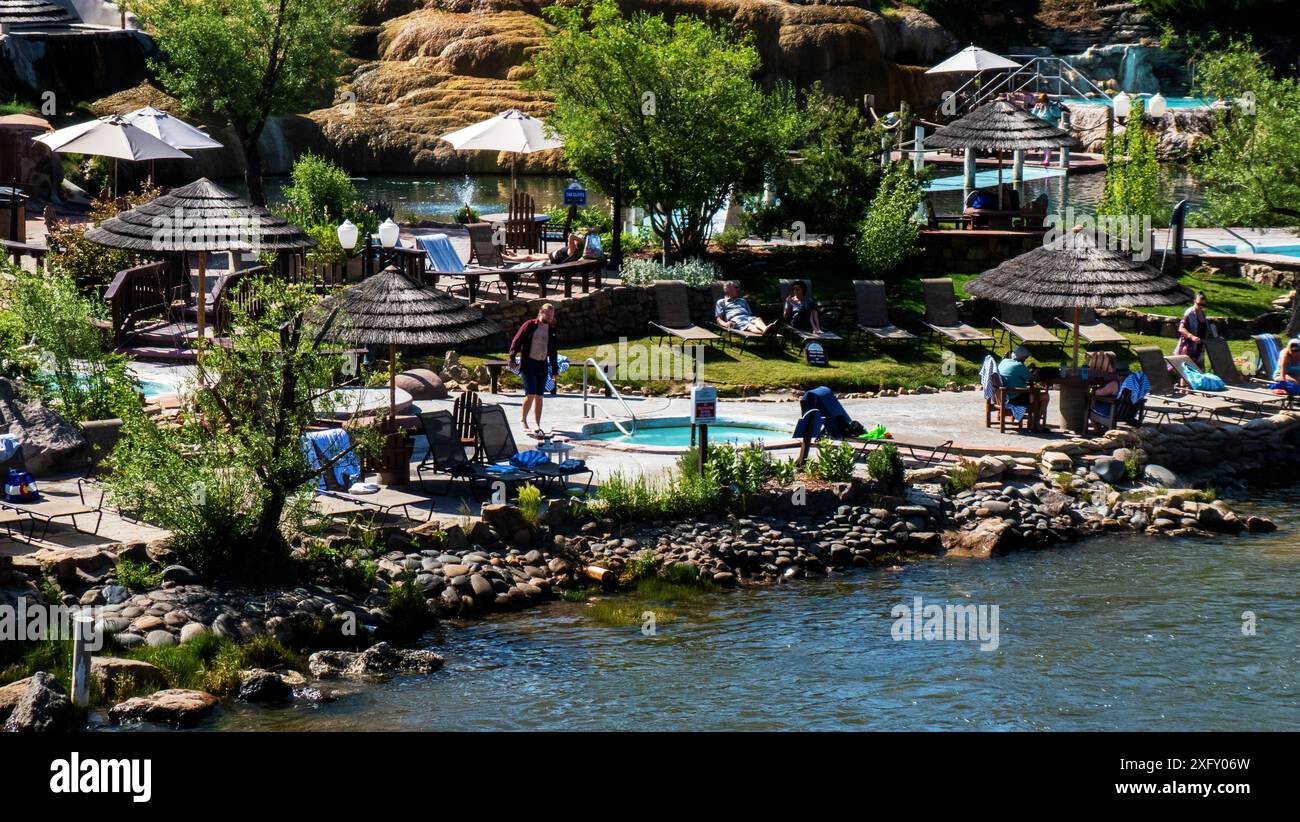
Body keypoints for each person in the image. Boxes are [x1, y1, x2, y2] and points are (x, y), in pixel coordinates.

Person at [508, 303, 559, 437]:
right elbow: (516, 341)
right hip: (528, 364)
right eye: (547, 314)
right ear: (540, 312)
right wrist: (512, 357)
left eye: (551, 315)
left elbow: (553, 352)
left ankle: (537, 424)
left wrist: (555, 370)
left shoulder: (551, 330)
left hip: (542, 365)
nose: (549, 317)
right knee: (530, 394)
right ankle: (523, 420)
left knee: (540, 396)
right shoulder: (530, 325)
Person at [997, 345, 1049, 428]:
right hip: (1015, 398)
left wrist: (1027, 368)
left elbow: (1016, 371)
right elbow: (1033, 378)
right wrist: (1038, 371)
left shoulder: (1004, 362)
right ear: (1022, 357)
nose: (1025, 359)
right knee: (1044, 396)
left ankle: (1032, 419)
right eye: (1025, 358)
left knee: (1034, 395)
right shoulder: (1019, 366)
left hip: (1003, 396)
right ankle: (1035, 422)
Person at [1175, 291, 1212, 368]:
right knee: (1187, 372)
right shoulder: (1189, 313)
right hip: (1189, 347)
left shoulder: (1202, 313)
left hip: (1200, 347)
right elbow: (1181, 328)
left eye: (1203, 305)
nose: (1200, 306)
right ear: (1194, 301)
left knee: (1199, 371)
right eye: (1198, 304)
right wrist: (1191, 336)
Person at [1030, 93, 1064, 166]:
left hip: (1051, 127)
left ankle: (1047, 160)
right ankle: (1045, 158)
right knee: (1044, 144)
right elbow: (1033, 116)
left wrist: (1050, 109)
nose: (1041, 102)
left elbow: (1058, 115)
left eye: (1042, 101)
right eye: (1040, 101)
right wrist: (1035, 109)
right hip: (1041, 128)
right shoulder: (1039, 106)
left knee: (1047, 144)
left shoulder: (1053, 105)